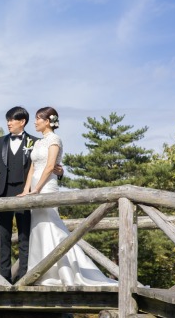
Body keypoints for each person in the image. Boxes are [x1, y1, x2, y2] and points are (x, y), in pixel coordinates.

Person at [21, 107, 116, 286]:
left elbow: (50, 166)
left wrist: (38, 188)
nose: (35, 122)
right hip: (34, 186)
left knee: (51, 224)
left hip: (46, 186)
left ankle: (61, 272)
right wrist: (27, 190)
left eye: (38, 118)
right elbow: (32, 167)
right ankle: (40, 272)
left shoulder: (55, 140)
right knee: (38, 226)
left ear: (47, 121)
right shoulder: (38, 142)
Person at [0, 106, 40, 283]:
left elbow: (41, 165)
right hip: (3, 192)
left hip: (24, 192)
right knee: (3, 235)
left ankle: (23, 276)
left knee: (24, 235)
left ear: (22, 122)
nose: (8, 123)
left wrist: (59, 173)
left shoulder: (34, 141)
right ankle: (3, 276)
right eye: (7, 120)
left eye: (12, 120)